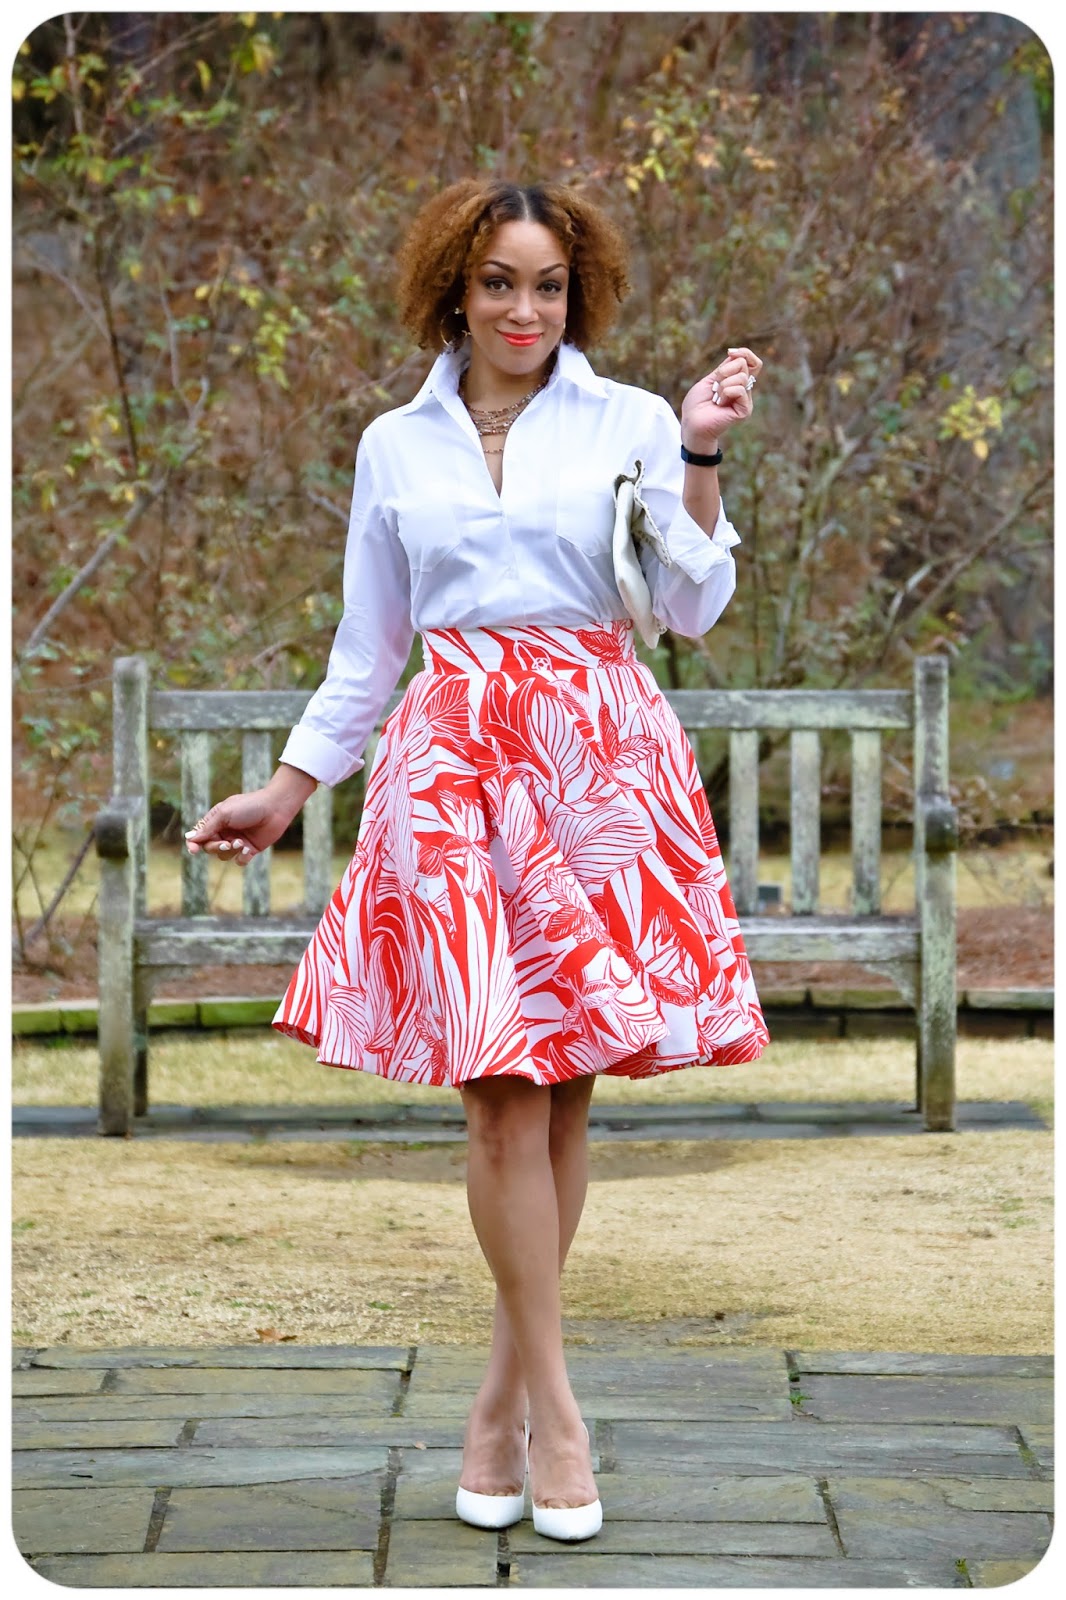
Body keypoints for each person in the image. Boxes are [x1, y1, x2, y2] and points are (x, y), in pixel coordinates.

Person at [184, 177, 769, 1543]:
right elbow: (365, 647)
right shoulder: (395, 442)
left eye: (550, 284)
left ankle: (495, 1404)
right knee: (498, 1094)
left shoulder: (629, 418)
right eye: (500, 281)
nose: (524, 308)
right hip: (449, 767)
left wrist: (700, 451)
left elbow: (690, 608)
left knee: (562, 1100)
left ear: (581, 292)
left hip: (593, 765)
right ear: (456, 284)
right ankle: (553, 1415)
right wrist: (286, 787)